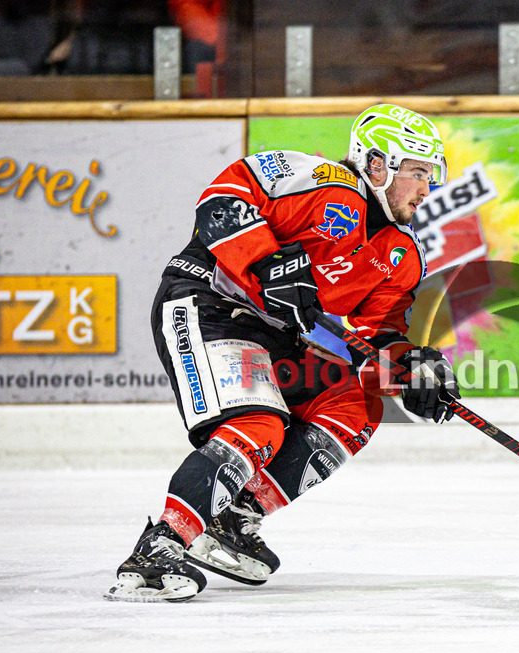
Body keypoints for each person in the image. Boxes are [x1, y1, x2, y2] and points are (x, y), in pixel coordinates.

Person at [106, 104, 461, 602]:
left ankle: (232, 520)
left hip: (273, 334)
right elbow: (221, 199)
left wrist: (411, 365)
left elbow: (375, 332)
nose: (428, 189)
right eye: (418, 172)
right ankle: (158, 548)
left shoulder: (400, 253)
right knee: (260, 424)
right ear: (377, 165)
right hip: (209, 301)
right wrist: (268, 261)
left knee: (356, 406)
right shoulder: (325, 183)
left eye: (431, 175)